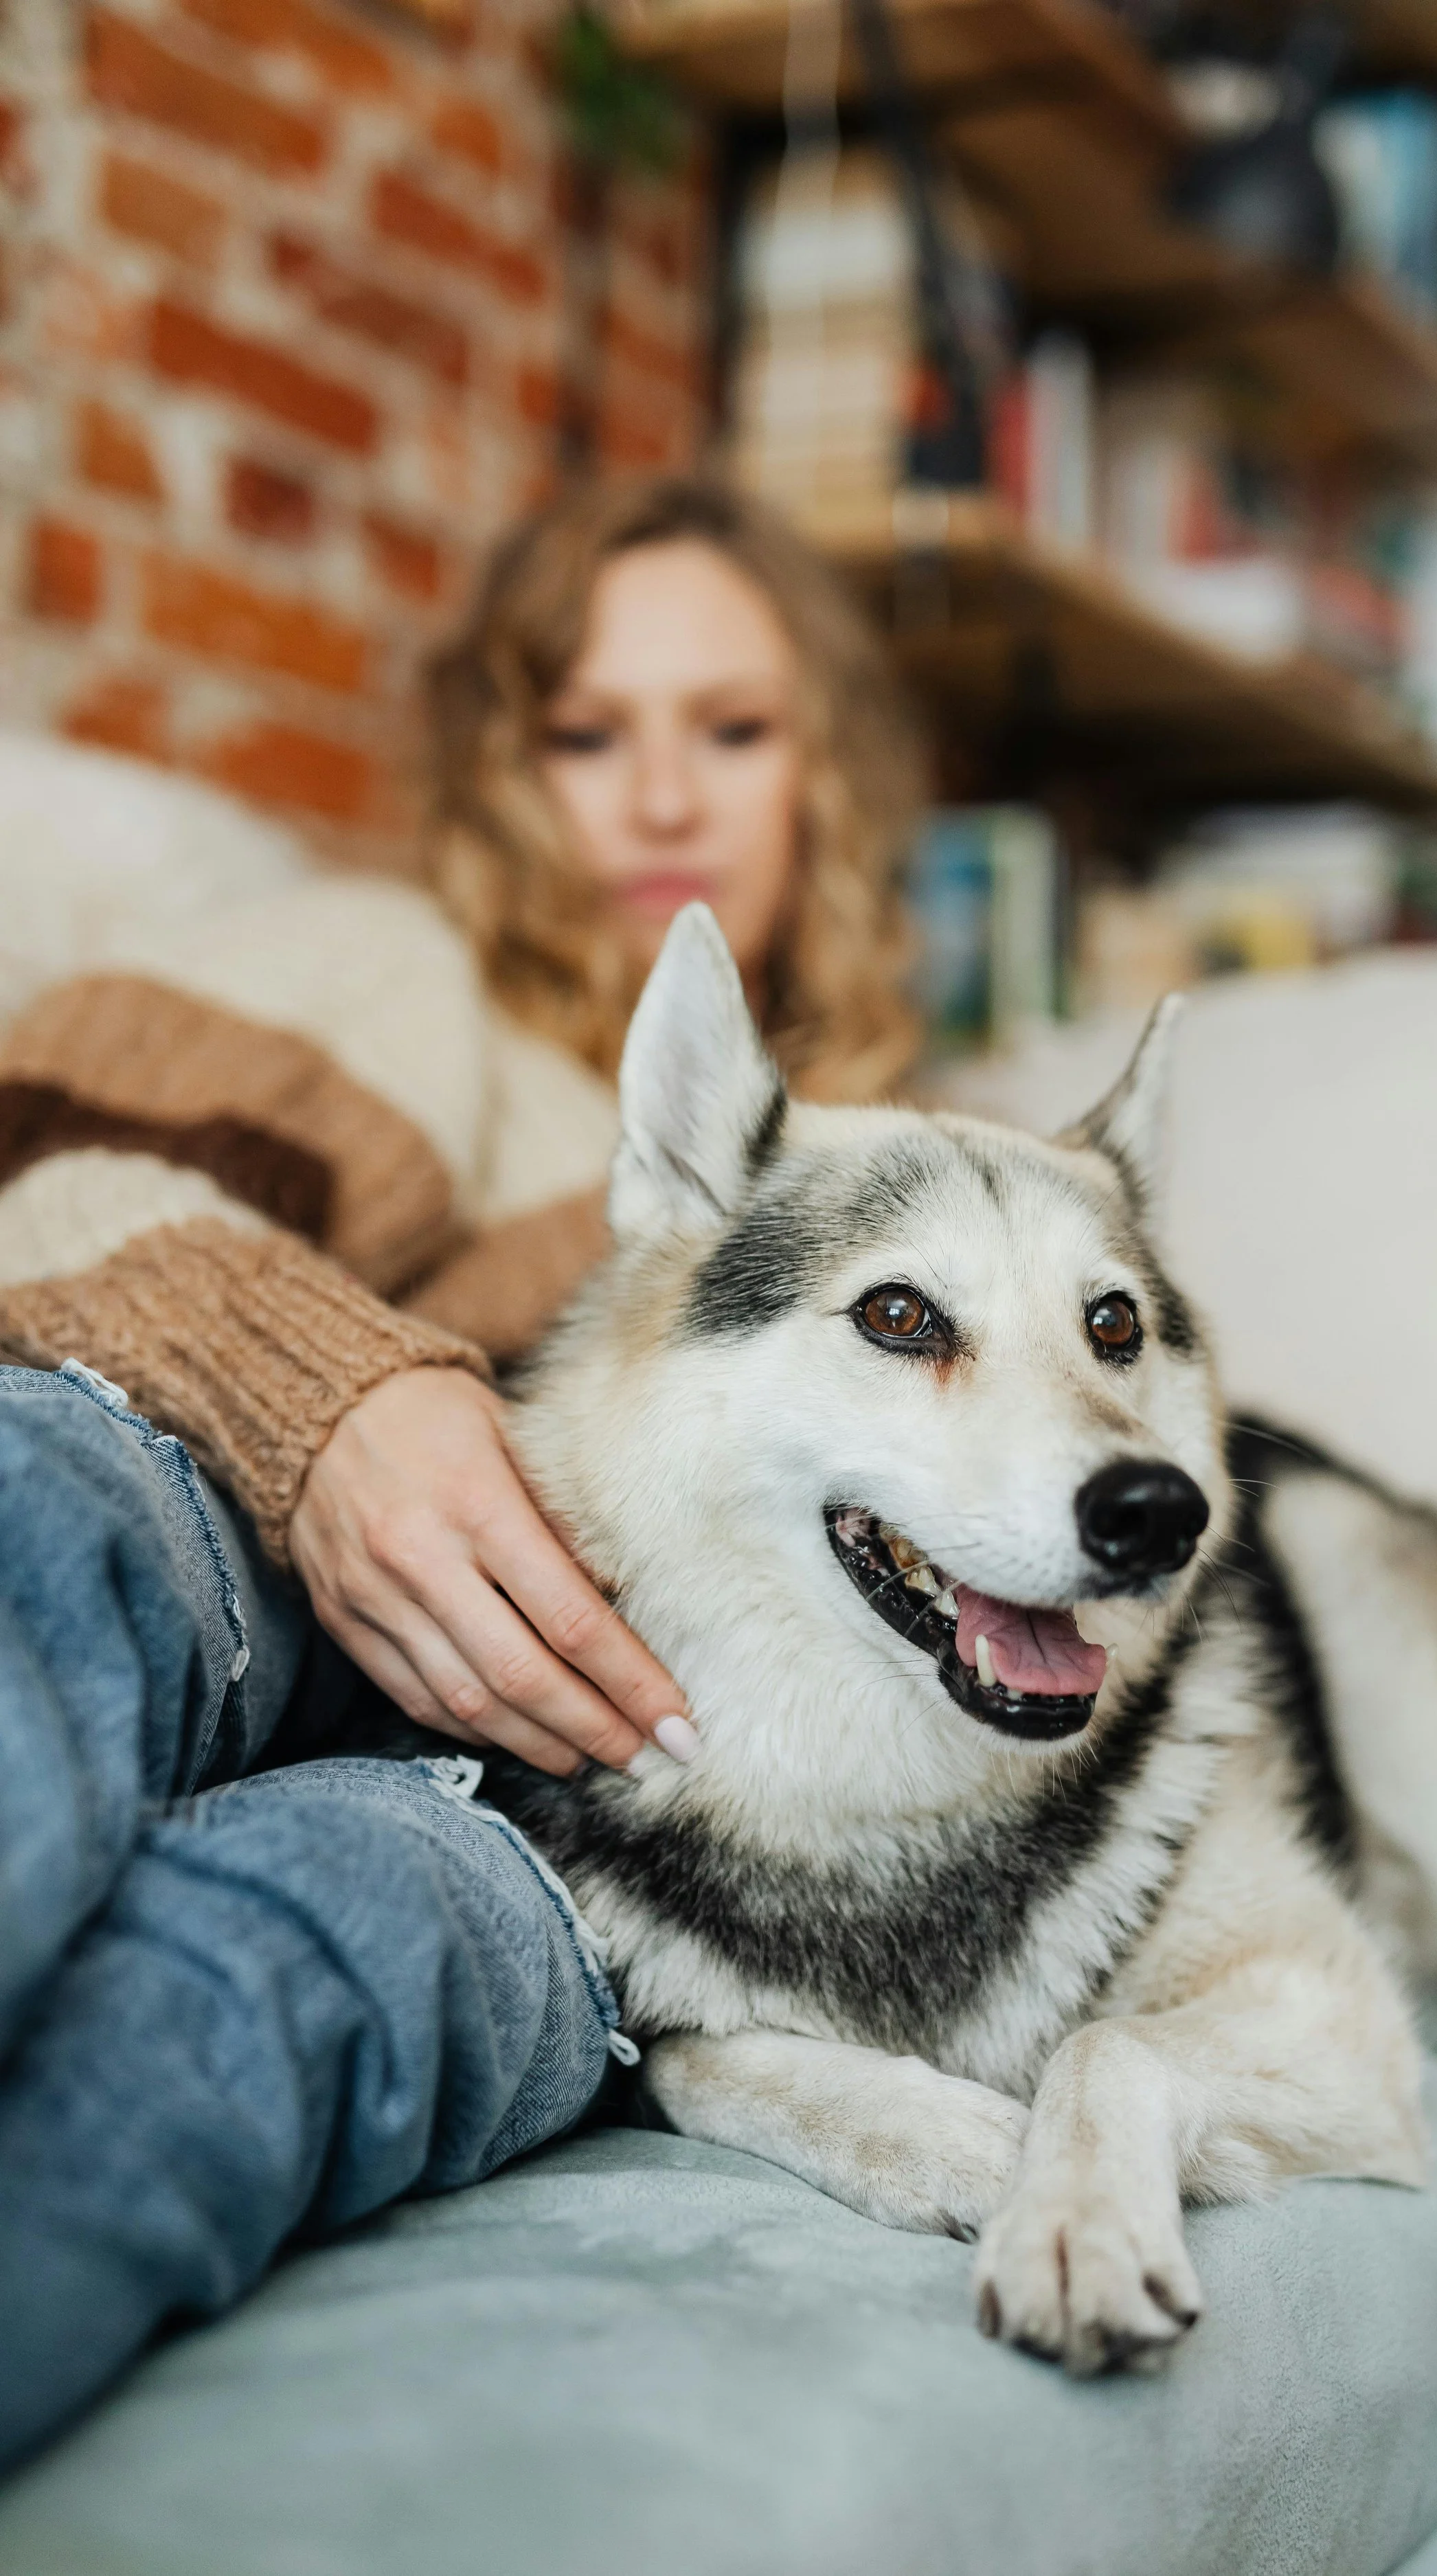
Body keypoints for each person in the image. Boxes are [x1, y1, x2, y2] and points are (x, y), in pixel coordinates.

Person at [0, 474, 924, 2468]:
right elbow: (41, 1166)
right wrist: (331, 1395)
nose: (662, 799)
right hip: (228, 1528)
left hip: (574, 1837)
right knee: (44, 1519)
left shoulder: (925, 1166)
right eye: (588, 734)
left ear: (825, 772)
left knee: (269, 1993)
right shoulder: (409, 968)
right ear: (507, 769)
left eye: (733, 731)